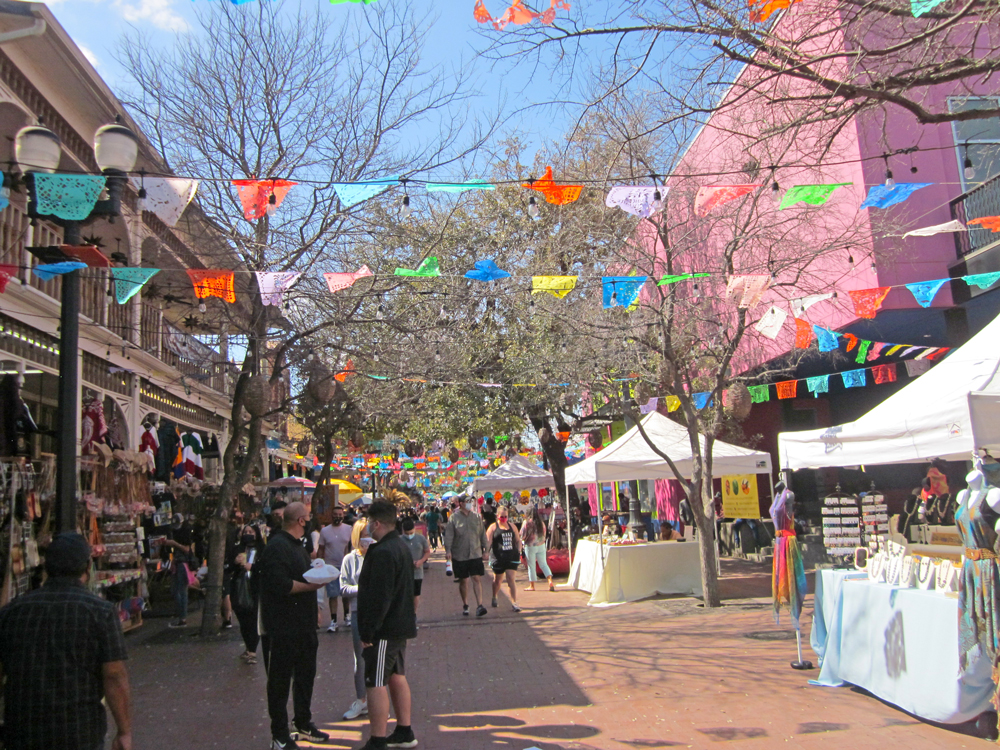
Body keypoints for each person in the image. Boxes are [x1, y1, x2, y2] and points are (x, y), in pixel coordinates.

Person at [0, 533, 132, 750]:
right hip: (79, 730)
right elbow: (114, 675)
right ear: (87, 566)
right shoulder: (101, 612)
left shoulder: (13, 612)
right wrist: (124, 731)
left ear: (46, 567)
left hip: (23, 731)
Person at [257, 502, 329, 750]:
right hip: (283, 627)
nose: (309, 521)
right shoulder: (277, 547)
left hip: (305, 623)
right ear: (300, 521)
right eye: (307, 517)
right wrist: (312, 587)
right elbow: (282, 585)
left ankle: (303, 722)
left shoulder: (299, 546)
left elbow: (303, 575)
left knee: (305, 675)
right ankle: (279, 734)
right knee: (279, 681)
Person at [356, 501, 417, 750]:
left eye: (370, 522)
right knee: (395, 676)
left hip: (385, 630)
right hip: (398, 625)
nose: (368, 526)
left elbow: (380, 596)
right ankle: (404, 730)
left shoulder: (383, 551)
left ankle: (378, 739)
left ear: (377, 523)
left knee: (376, 681)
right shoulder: (399, 547)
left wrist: (369, 631)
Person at [340, 519, 374, 721]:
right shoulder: (350, 560)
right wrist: (361, 590)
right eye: (364, 536)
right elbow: (343, 588)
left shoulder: (379, 557)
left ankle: (377, 700)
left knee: (378, 659)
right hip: (358, 613)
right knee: (360, 659)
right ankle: (361, 700)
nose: (368, 540)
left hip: (378, 613)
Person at [443, 496, 489, 617]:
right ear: (461, 503)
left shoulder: (476, 517)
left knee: (476, 578)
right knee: (463, 580)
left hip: (475, 553)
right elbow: (449, 536)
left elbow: (482, 534)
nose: (470, 504)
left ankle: (480, 605)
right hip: (460, 555)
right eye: (467, 502)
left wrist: (486, 549)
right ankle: (466, 604)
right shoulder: (454, 518)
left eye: (471, 502)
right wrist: (448, 550)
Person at [318, 504, 353, 633]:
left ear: (343, 515)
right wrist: (320, 564)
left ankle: (347, 616)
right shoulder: (325, 531)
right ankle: (333, 620)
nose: (338, 517)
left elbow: (352, 546)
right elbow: (321, 549)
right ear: (331, 516)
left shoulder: (349, 529)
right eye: (335, 515)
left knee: (345, 593)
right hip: (330, 566)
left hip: (345, 566)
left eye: (340, 515)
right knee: (333, 594)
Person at [487, 507, 523, 611]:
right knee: (498, 580)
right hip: (498, 557)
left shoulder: (512, 526)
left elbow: (518, 540)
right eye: (501, 517)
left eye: (505, 517)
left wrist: (519, 549)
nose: (503, 519)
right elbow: (488, 541)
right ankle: (494, 596)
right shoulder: (493, 527)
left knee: (511, 578)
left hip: (511, 556)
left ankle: (514, 603)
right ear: (497, 516)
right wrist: (485, 552)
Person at [162, 513, 195, 627]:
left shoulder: (185, 532)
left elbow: (187, 549)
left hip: (183, 563)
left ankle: (183, 618)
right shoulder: (172, 531)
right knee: (176, 590)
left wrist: (174, 543)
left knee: (181, 590)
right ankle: (181, 616)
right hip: (176, 562)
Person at [399, 518, 431, 621]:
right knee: (405, 593)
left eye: (411, 532)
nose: (409, 535)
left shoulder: (421, 539)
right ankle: (405, 612)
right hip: (404, 572)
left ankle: (413, 613)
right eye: (407, 533)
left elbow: (427, 551)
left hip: (417, 572)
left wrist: (421, 561)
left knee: (416, 594)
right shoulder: (399, 540)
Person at [521, 505, 554, 592]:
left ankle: (532, 585)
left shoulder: (526, 523)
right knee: (543, 564)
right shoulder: (541, 522)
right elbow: (544, 533)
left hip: (530, 546)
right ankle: (550, 581)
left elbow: (522, 534)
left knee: (531, 566)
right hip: (541, 545)